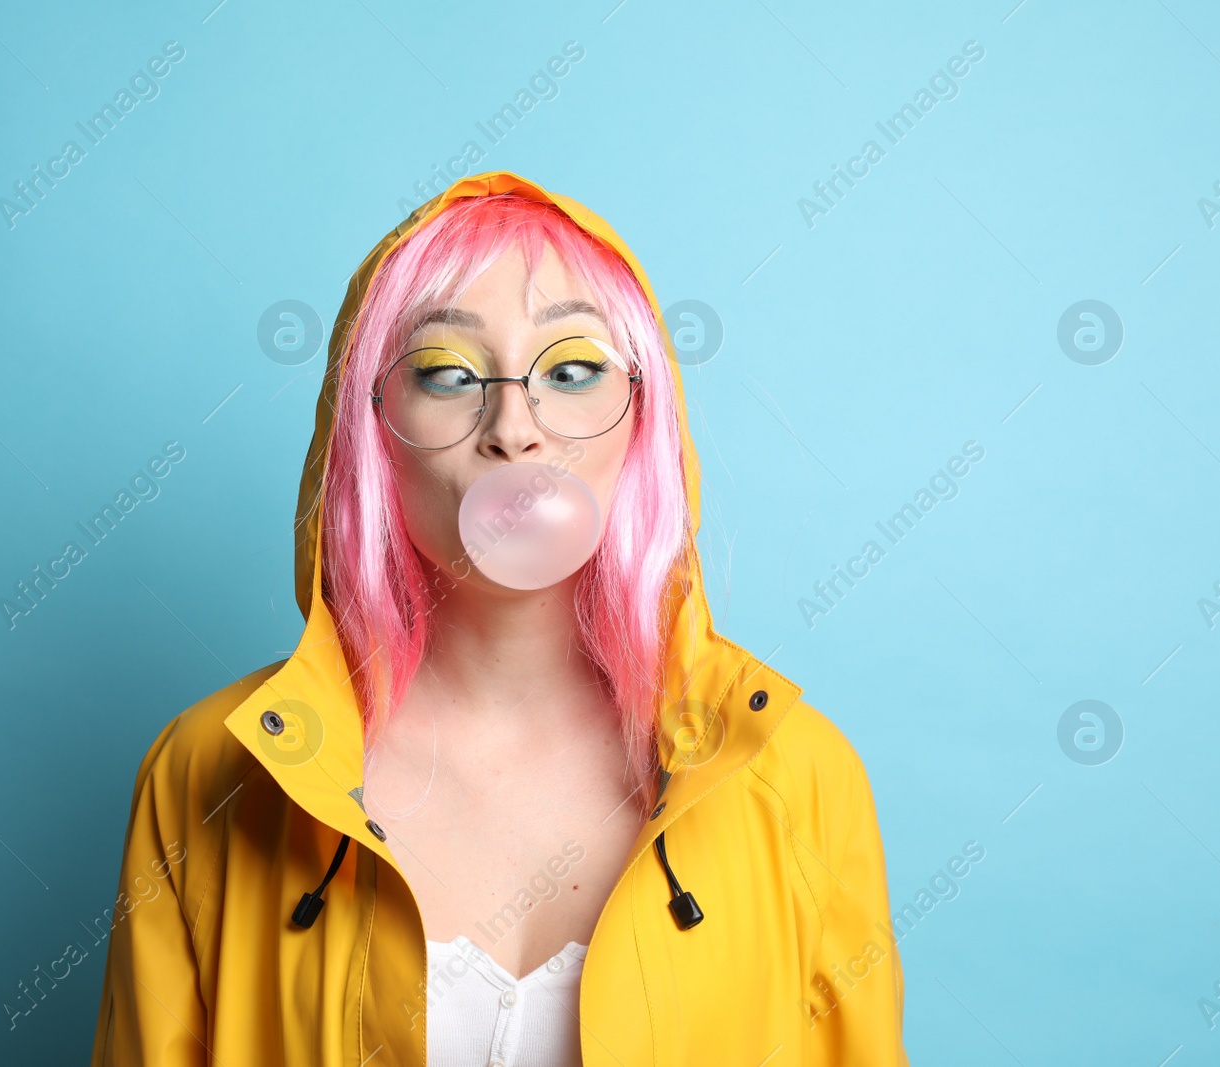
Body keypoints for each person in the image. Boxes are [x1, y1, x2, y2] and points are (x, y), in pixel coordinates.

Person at [89, 171, 909, 1066]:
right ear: (367, 429)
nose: (513, 426)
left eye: (572, 369)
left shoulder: (795, 776)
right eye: (447, 373)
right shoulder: (207, 774)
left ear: (643, 425)